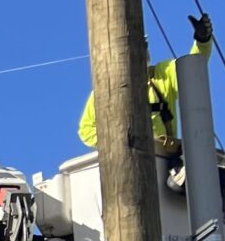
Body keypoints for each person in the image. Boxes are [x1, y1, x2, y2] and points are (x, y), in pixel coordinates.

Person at [77, 14, 211, 179]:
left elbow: (191, 70)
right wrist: (120, 141)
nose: (143, 51)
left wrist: (202, 42)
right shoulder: (105, 92)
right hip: (127, 166)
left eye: (144, 46)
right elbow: (86, 130)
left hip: (165, 162)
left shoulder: (161, 75)